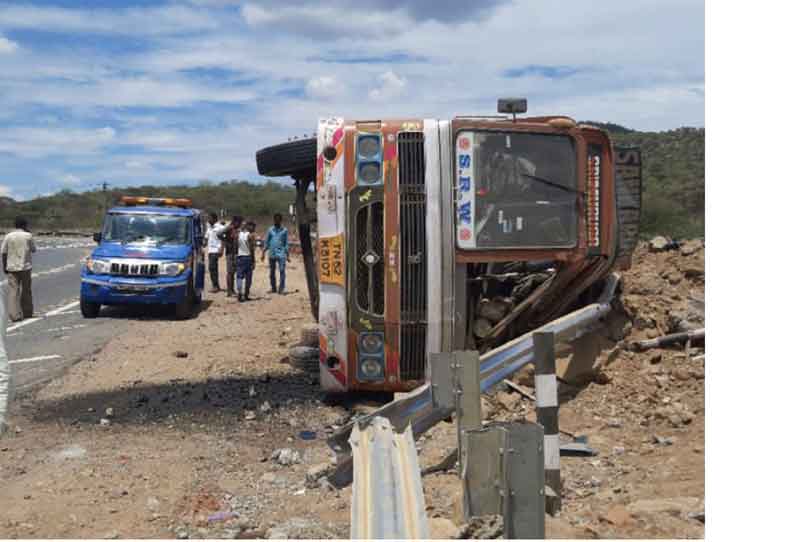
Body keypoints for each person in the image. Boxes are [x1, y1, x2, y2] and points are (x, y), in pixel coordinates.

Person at [1, 217, 36, 322]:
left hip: (11, 267)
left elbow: (3, 252)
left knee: (13, 292)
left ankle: (14, 315)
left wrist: (4, 266)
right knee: (26, 290)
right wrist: (29, 234)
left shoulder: (8, 236)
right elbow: (33, 250)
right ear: (25, 225)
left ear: (15, 225)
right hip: (25, 267)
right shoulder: (28, 235)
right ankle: (27, 312)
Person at [261, 213, 290, 294]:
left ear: (280, 220)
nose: (276, 221)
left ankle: (281, 288)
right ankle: (273, 288)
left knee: (282, 270)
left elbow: (286, 243)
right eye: (275, 220)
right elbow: (267, 242)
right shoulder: (270, 230)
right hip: (272, 253)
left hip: (281, 254)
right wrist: (263, 252)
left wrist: (287, 255)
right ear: (273, 220)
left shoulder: (284, 230)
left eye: (278, 220)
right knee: (272, 272)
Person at [204, 212, 231, 293]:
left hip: (216, 250)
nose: (208, 220)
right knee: (212, 268)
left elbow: (224, 239)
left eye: (210, 218)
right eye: (208, 218)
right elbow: (206, 239)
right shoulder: (209, 228)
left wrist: (221, 249)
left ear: (215, 219)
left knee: (212, 267)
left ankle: (215, 286)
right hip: (210, 250)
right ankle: (215, 285)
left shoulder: (220, 227)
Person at [221, 216, 242, 297]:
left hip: (238, 253)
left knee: (237, 272)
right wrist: (225, 241)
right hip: (230, 253)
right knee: (230, 273)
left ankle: (234, 290)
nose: (239, 224)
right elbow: (219, 234)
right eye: (239, 222)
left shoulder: (239, 230)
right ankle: (229, 290)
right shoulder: (229, 229)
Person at [236, 221, 256, 302]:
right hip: (247, 258)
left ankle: (239, 293)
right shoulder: (250, 235)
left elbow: (235, 246)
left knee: (239, 276)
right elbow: (251, 249)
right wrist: (253, 260)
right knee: (248, 278)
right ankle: (246, 294)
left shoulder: (238, 235)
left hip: (239, 257)